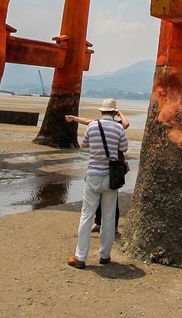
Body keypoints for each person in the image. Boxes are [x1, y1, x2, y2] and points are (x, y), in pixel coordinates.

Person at [68, 98, 128, 269]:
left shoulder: (92, 126)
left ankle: (80, 257)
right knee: (109, 218)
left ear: (101, 111)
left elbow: (84, 144)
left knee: (86, 216)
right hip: (111, 177)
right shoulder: (118, 128)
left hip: (93, 174)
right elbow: (124, 148)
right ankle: (105, 255)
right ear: (114, 112)